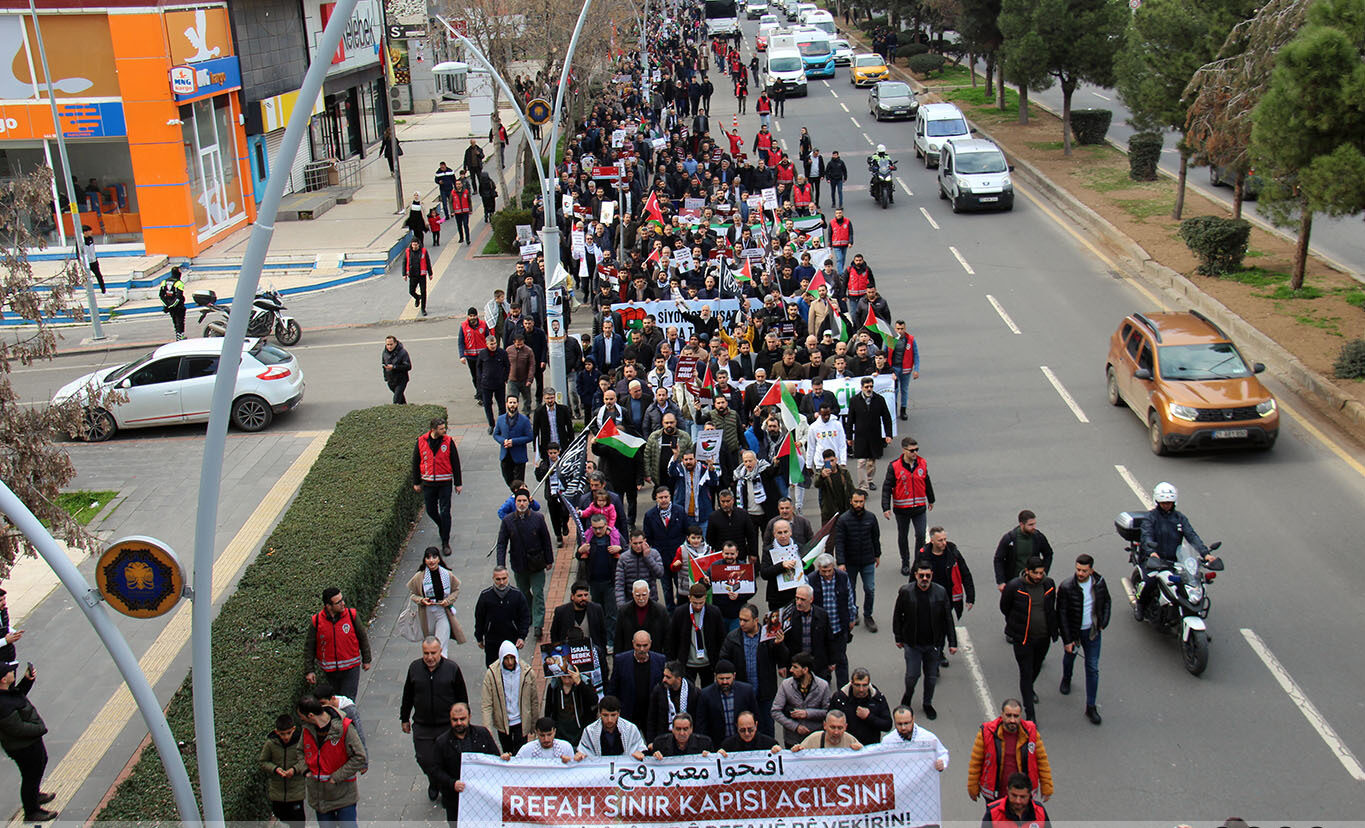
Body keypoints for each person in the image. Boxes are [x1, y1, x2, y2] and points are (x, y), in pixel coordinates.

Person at [401, 637, 470, 801]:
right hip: (422, 725)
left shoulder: (452, 669)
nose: (430, 657)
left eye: (433, 653)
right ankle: (434, 780)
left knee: (448, 758)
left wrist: (464, 720)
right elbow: (408, 694)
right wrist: (404, 718)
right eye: (426, 653)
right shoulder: (414, 668)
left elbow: (462, 697)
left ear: (440, 652)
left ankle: (445, 784)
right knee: (424, 758)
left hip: (446, 725)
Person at [1135, 482, 1216, 617]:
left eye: (1169, 502)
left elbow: (1192, 536)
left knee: (1192, 581)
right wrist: (1152, 553)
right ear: (1157, 501)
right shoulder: (1150, 518)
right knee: (1149, 582)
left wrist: (1205, 554)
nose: (1166, 505)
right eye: (1163, 502)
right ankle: (1140, 605)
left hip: (1175, 561)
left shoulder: (1180, 518)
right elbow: (1146, 536)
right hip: (1154, 560)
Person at [892, 560, 958, 719]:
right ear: (915, 575)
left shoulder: (940, 592)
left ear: (932, 576)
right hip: (912, 643)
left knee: (931, 677)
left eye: (927, 575)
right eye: (921, 575)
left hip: (933, 644)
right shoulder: (906, 592)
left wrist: (952, 642)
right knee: (912, 675)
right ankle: (908, 695)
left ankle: (927, 703)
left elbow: (948, 618)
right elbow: (897, 616)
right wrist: (898, 637)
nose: (924, 578)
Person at [1000, 557, 1058, 722]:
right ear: (1027, 571)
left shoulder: (1049, 584)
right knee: (1026, 672)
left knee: (1037, 666)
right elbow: (1005, 607)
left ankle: (1029, 688)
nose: (1039, 576)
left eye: (1041, 573)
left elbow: (1051, 607)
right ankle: (1030, 712)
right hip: (1023, 638)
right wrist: (1015, 624)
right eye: (1036, 573)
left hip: (1043, 637)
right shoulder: (1015, 587)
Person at [1056, 553, 1111, 725]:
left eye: (1084, 570)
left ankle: (1091, 706)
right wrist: (1067, 640)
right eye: (1078, 569)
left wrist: (1104, 622)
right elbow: (1062, 614)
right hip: (1075, 634)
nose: (1080, 573)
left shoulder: (1099, 583)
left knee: (1092, 668)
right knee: (1069, 657)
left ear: (1091, 570)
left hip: (1093, 632)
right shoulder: (1066, 587)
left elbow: (1107, 602)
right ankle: (1067, 677)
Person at [297, 695, 367, 827]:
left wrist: (336, 777)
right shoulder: (307, 729)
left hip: (343, 794)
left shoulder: (345, 727)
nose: (301, 719)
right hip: (319, 797)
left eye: (302, 716)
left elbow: (360, 756)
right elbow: (300, 750)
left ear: (311, 715)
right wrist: (305, 769)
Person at [718, 603, 787, 737]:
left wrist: (779, 645)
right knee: (743, 730)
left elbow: (782, 658)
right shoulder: (732, 638)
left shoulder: (768, 636)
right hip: (741, 694)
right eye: (740, 619)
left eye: (745, 620)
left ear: (756, 620)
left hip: (764, 693)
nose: (741, 623)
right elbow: (723, 660)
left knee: (766, 729)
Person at [967, 699, 1053, 804]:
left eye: (1016, 716)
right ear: (1002, 715)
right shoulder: (986, 732)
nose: (1012, 720)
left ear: (1020, 716)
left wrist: (1047, 786)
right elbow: (976, 762)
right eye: (1008, 715)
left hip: (1022, 796)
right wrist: (973, 786)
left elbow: (1042, 761)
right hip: (995, 796)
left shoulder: (1031, 733)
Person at [496, 488, 555, 637]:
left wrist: (549, 560)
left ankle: (538, 624)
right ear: (515, 502)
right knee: (523, 592)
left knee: (538, 593)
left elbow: (546, 540)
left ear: (529, 502)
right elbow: (502, 543)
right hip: (519, 564)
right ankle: (528, 613)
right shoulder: (508, 521)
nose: (522, 504)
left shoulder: (538, 518)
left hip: (537, 564)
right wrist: (500, 565)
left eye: (524, 501)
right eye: (519, 501)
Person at [0, 662, 55, 822]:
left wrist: (27, 680)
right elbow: (17, 729)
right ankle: (32, 812)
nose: (12, 672)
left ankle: (34, 796)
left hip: (30, 743)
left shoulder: (6, 693)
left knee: (39, 766)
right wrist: (40, 729)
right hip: (23, 747)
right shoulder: (2, 705)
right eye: (9, 671)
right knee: (30, 776)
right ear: (3, 679)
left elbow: (18, 695)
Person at [432, 702, 499, 825]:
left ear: (469, 717)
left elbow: (495, 758)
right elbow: (436, 771)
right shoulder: (442, 742)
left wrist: (503, 760)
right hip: (455, 801)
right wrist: (452, 783)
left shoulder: (482, 734)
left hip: (482, 797)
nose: (458, 723)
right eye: (455, 720)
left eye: (462, 719)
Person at [919, 526, 974, 666]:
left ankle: (939, 652)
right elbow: (916, 576)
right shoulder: (924, 555)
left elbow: (965, 573)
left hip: (947, 597)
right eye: (940, 540)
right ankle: (932, 653)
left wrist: (970, 597)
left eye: (944, 539)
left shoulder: (953, 553)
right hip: (928, 596)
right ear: (932, 541)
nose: (943, 543)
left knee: (942, 626)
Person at [304, 588, 371, 700]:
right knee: (334, 701)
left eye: (342, 600)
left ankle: (349, 717)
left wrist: (366, 659)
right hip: (329, 671)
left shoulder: (351, 615)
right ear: (328, 606)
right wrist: (309, 670)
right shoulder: (317, 621)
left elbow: (362, 637)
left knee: (348, 700)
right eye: (338, 602)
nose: (343, 603)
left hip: (351, 667)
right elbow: (309, 647)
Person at [882, 437, 934, 576]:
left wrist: (931, 499)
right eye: (912, 451)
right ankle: (905, 562)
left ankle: (918, 562)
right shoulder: (894, 466)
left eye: (916, 450)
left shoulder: (922, 463)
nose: (915, 453)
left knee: (921, 534)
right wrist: (885, 507)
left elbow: (926, 481)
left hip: (919, 507)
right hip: (902, 509)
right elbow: (887, 487)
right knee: (903, 535)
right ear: (904, 450)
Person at [412, 417, 461, 556]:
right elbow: (416, 462)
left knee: (445, 511)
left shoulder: (448, 441)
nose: (444, 430)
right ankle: (442, 526)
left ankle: (445, 541)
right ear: (433, 429)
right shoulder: (421, 441)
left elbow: (455, 462)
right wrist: (416, 482)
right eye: (441, 429)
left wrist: (458, 483)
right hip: (428, 483)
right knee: (431, 510)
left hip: (444, 482)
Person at [481, 640, 540, 754]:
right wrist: (487, 729)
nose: (509, 662)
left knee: (521, 753)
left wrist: (534, 723)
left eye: (512, 658)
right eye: (506, 658)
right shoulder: (492, 674)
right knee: (507, 751)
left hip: (521, 722)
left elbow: (534, 700)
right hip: (503, 723)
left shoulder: (527, 672)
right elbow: (487, 704)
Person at [833, 490, 880, 631]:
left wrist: (877, 555)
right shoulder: (843, 520)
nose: (859, 504)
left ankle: (868, 615)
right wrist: (841, 562)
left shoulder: (871, 518)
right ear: (851, 502)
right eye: (856, 501)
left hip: (867, 560)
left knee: (870, 589)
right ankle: (853, 613)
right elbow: (839, 542)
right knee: (850, 590)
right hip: (850, 562)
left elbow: (875, 538)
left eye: (861, 501)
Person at [407, 548, 465, 656]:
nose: (431, 560)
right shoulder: (419, 577)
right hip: (427, 614)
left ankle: (443, 666)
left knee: (441, 647)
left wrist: (447, 601)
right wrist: (421, 600)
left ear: (439, 559)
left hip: (442, 612)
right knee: (430, 644)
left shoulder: (447, 574)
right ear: (424, 560)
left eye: (434, 557)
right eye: (428, 557)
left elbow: (456, 590)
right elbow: (413, 595)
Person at [807, 555, 854, 687]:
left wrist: (851, 617)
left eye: (829, 571)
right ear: (818, 569)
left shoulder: (842, 577)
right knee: (822, 661)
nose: (827, 574)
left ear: (833, 567)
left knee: (841, 660)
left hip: (839, 625)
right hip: (821, 629)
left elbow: (850, 598)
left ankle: (843, 691)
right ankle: (824, 689)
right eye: (823, 571)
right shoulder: (811, 579)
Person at [548, 581, 610, 680]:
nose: (583, 598)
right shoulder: (561, 612)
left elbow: (602, 633)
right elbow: (554, 633)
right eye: (580, 595)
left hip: (591, 656)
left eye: (586, 595)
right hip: (569, 658)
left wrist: (601, 652)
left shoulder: (596, 609)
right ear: (572, 596)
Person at [667, 582, 725, 685]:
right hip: (687, 663)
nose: (698, 606)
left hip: (708, 663)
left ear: (705, 598)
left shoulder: (714, 613)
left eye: (701, 603)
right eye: (695, 603)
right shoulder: (680, 613)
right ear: (689, 598)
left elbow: (720, 638)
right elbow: (673, 639)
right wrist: (672, 663)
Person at [771, 651, 831, 748]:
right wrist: (795, 727)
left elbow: (828, 712)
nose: (791, 670)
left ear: (805, 669)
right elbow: (775, 711)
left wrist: (807, 713)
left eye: (795, 667)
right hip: (792, 739)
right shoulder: (786, 685)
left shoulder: (823, 686)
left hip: (815, 738)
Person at [606, 630, 666, 726]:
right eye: (638, 645)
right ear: (633, 643)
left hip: (651, 714)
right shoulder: (621, 660)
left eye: (645, 645)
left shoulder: (660, 660)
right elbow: (613, 687)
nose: (641, 649)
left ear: (650, 643)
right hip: (628, 714)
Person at [474, 566, 530, 667]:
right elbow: (479, 618)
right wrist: (479, 637)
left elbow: (525, 617)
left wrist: (522, 636)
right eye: (498, 579)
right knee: (492, 669)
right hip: (492, 641)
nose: (501, 582)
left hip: (511, 639)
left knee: (511, 668)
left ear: (508, 577)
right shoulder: (485, 596)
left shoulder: (517, 595)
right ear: (493, 579)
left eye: (504, 578)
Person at [694, 660, 758, 745]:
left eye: (728, 678)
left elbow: (756, 717)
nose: (724, 682)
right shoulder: (705, 694)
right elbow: (701, 724)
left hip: (742, 742)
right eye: (721, 678)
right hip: (717, 744)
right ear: (715, 676)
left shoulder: (746, 691)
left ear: (734, 676)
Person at [259, 713, 306, 828]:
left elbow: (307, 760)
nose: (285, 737)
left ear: (293, 729)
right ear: (276, 732)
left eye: (288, 733)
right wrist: (275, 769)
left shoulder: (301, 742)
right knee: (281, 821)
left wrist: (294, 770)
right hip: (277, 793)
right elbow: (263, 762)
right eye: (282, 734)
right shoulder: (271, 744)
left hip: (296, 793)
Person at [848, 376, 892, 490]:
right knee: (861, 461)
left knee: (871, 461)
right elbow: (850, 419)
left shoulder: (879, 399)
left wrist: (888, 434)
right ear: (861, 387)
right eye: (866, 387)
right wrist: (849, 437)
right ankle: (863, 485)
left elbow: (886, 417)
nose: (869, 389)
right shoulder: (854, 400)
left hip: (874, 435)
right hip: (860, 436)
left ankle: (869, 479)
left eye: (871, 386)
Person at [829, 667, 892, 745]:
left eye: (864, 685)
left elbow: (887, 725)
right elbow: (828, 722)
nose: (861, 689)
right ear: (851, 683)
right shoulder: (839, 698)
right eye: (857, 685)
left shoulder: (878, 699)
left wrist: (869, 717)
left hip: (870, 747)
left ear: (869, 684)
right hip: (846, 745)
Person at [994, 509, 1055, 590]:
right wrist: (1001, 581)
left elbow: (1048, 554)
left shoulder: (1038, 537)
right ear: (1022, 524)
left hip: (1033, 582)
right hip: (1013, 582)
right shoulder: (1009, 538)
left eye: (1034, 524)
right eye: (1030, 525)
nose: (1034, 527)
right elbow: (998, 559)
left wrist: (1042, 573)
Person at [542, 667, 598, 747]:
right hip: (560, 735)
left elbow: (594, 700)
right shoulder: (553, 688)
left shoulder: (584, 684)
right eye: (564, 676)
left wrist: (579, 682)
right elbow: (548, 711)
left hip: (581, 734)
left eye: (570, 676)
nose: (567, 680)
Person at [882, 705, 949, 771]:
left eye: (906, 723)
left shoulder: (928, 737)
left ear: (913, 719)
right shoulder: (887, 741)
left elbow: (943, 753)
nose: (903, 727)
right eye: (899, 724)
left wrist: (942, 762)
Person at [576, 696, 647, 759]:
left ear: (619, 713)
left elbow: (641, 748)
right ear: (599, 714)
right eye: (605, 715)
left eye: (613, 715)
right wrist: (580, 755)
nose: (609, 720)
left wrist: (640, 753)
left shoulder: (630, 729)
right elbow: (583, 751)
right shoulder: (590, 731)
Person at [646, 660, 698, 742]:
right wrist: (651, 741)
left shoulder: (693, 692)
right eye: (664, 676)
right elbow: (652, 719)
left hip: (688, 737)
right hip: (664, 737)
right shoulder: (658, 691)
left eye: (668, 677)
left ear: (678, 678)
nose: (664, 680)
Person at [613, 576, 668, 653]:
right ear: (633, 594)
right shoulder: (623, 611)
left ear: (649, 593)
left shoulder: (660, 611)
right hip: (630, 655)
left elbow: (667, 638)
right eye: (638, 595)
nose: (641, 598)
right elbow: (618, 639)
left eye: (644, 595)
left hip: (654, 654)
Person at [983, 773, 1053, 827]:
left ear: (1029, 795)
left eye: (1022, 797)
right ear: (1008, 791)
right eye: (1014, 795)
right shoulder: (993, 813)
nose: (1018, 801)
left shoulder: (1040, 811)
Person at [493, 395, 534, 487]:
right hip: (505, 455)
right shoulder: (501, 419)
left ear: (518, 404)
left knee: (518, 480)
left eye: (514, 403)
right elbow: (496, 434)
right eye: (510, 403)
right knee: (507, 477)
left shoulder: (524, 420)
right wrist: (503, 441)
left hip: (519, 455)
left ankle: (519, 495)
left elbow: (530, 436)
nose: (512, 405)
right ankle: (519, 493)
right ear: (506, 404)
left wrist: (514, 441)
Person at [459, 308, 493, 403]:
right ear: (468, 316)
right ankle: (479, 392)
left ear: (477, 316)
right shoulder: (463, 326)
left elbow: (488, 338)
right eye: (471, 316)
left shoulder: (483, 325)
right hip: (470, 356)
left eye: (474, 315)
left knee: (480, 376)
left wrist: (491, 351)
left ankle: (482, 396)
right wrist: (462, 356)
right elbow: (461, 342)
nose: (472, 318)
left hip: (482, 356)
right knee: (475, 377)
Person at [792, 708, 862, 753]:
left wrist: (861, 750)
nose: (836, 732)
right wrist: (796, 751)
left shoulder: (850, 740)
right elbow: (798, 756)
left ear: (845, 727)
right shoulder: (813, 739)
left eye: (840, 728)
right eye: (832, 727)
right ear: (825, 725)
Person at [403, 238, 432, 316]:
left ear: (418, 244)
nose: (415, 246)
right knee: (411, 291)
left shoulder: (423, 251)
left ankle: (423, 309)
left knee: (423, 292)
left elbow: (428, 262)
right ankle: (417, 297)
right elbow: (404, 262)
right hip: (412, 275)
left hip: (421, 275)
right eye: (413, 245)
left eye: (416, 244)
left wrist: (430, 273)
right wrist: (404, 274)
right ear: (411, 245)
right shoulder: (408, 252)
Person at [381, 335, 411, 404]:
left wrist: (394, 367)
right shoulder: (384, 353)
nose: (389, 347)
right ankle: (405, 408)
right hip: (391, 380)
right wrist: (386, 378)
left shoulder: (403, 352)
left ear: (395, 343)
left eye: (391, 344)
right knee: (400, 399)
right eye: (387, 344)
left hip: (401, 380)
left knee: (396, 400)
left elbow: (408, 366)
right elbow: (383, 365)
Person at [159, 266, 186, 340]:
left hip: (169, 305)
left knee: (175, 321)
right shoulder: (179, 283)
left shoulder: (164, 282)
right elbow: (179, 297)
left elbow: (161, 295)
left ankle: (178, 336)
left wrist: (167, 305)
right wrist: (173, 305)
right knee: (180, 322)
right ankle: (180, 337)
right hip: (178, 306)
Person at [0, 589, 22, 664]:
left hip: (9, 658)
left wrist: (13, 633)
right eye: (0, 600)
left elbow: (5, 626)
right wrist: (5, 641)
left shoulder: (3, 612)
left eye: (4, 599)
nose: (4, 603)